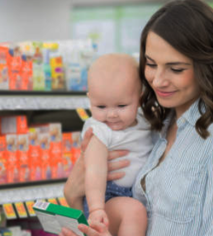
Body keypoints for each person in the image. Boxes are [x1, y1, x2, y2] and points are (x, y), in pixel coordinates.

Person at [62, 0, 213, 235]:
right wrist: (74, 197)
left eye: (175, 69)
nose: (157, 80)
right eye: (151, 64)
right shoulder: (156, 124)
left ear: (208, 66)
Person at [80, 53, 152, 235]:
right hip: (107, 197)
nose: (111, 114)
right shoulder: (99, 130)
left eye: (121, 106)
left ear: (140, 99)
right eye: (101, 107)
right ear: (90, 99)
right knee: (134, 212)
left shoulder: (145, 121)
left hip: (136, 193)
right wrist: (96, 209)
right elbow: (94, 170)